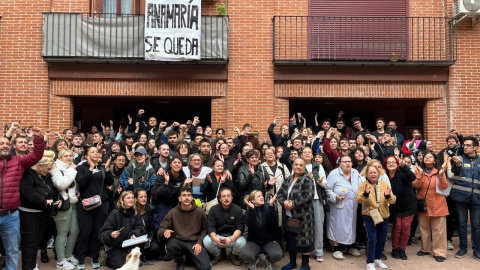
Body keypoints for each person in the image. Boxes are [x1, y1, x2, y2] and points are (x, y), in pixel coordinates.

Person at [0, 127, 44, 270]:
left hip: (10, 215)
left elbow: (36, 156)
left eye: (7, 143)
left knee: (12, 250)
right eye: (1, 144)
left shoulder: (19, 161)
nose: (4, 146)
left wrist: (38, 139)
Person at [19, 150, 61, 270]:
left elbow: (49, 191)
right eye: (47, 169)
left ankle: (33, 266)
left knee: (35, 243)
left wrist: (51, 198)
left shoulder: (42, 176)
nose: (48, 172)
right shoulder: (28, 173)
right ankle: (27, 267)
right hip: (29, 214)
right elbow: (27, 192)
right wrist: (44, 201)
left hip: (41, 214)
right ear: (40, 165)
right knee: (29, 244)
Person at [75, 146, 114, 270]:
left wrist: (107, 170)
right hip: (85, 204)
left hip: (101, 204)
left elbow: (110, 182)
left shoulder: (102, 167)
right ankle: (80, 258)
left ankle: (95, 257)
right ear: (86, 155)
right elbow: (81, 182)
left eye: (97, 152)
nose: (96, 154)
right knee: (84, 232)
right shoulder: (81, 168)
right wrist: (91, 168)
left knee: (97, 232)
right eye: (92, 152)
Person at [158, 186, 211, 270]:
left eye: (189, 195)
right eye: (184, 195)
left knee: (206, 267)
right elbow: (160, 229)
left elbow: (205, 229)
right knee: (171, 245)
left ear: (192, 197)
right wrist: (165, 231)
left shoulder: (200, 212)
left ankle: (190, 257)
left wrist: (199, 243)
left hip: (194, 243)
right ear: (179, 198)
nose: (187, 197)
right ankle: (179, 261)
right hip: (179, 241)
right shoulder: (173, 212)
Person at [151, 156, 192, 261]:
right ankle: (162, 249)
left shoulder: (183, 177)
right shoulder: (163, 175)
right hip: (162, 204)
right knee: (163, 223)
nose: (177, 164)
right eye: (175, 162)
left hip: (176, 205)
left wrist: (184, 185)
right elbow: (156, 194)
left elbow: (180, 197)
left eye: (179, 162)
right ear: (170, 164)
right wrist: (166, 183)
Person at [356, 163, 396, 270]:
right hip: (369, 215)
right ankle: (370, 262)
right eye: (370, 173)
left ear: (378, 173)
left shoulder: (384, 184)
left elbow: (393, 200)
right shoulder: (363, 184)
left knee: (382, 239)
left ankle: (378, 258)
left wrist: (387, 195)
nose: (373, 174)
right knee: (372, 239)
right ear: (367, 174)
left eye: (375, 172)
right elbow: (358, 199)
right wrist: (365, 194)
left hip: (383, 215)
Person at [277, 158, 315, 270]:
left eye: (301, 165)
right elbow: (279, 194)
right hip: (289, 216)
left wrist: (293, 203)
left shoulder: (307, 180)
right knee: (291, 241)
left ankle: (305, 265)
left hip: (304, 217)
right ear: (293, 166)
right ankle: (292, 263)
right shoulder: (288, 179)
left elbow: (308, 197)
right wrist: (283, 202)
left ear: (304, 167)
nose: (298, 167)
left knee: (305, 241)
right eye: (296, 164)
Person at [413, 151, 449, 262]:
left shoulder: (439, 171)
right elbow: (415, 185)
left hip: (438, 204)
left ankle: (440, 253)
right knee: (424, 229)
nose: (427, 158)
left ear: (434, 160)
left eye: (430, 157)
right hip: (424, 204)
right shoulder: (419, 171)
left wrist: (441, 174)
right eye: (425, 157)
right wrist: (419, 175)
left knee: (439, 230)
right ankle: (425, 249)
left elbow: (444, 187)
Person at [326, 155, 362, 260]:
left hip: (353, 204)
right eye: (345, 162)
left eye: (349, 162)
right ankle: (336, 249)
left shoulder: (355, 173)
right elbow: (327, 190)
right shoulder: (334, 174)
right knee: (338, 225)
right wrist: (335, 197)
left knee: (351, 225)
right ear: (340, 163)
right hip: (338, 205)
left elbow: (361, 185)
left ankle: (350, 247)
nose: (347, 164)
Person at [450, 136, 480, 261]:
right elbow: (454, 171)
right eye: (464, 145)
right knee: (462, 225)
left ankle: (477, 250)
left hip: (477, 199)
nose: (465, 147)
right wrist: (457, 164)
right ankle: (463, 248)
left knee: (476, 225)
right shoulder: (459, 159)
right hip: (460, 198)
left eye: (468, 145)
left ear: (476, 147)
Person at [99, 190, 145, 269]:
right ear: (122, 200)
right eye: (128, 198)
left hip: (128, 245)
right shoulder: (115, 213)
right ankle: (107, 256)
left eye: (132, 198)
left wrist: (133, 234)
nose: (131, 200)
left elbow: (140, 227)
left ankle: (124, 256)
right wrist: (111, 234)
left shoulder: (136, 212)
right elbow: (102, 234)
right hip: (114, 246)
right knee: (122, 266)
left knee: (132, 265)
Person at [383, 155, 416, 260]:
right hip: (395, 206)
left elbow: (413, 177)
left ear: (397, 164)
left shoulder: (402, 173)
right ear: (385, 165)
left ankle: (402, 249)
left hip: (409, 205)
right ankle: (395, 249)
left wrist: (404, 166)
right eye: (389, 162)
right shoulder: (384, 177)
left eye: (394, 162)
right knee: (397, 227)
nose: (391, 164)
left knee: (405, 227)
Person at [50, 149, 80, 269]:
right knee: (62, 232)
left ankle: (68, 256)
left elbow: (73, 185)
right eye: (66, 156)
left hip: (73, 203)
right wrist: (72, 170)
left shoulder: (72, 167)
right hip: (63, 205)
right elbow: (61, 184)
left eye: (71, 155)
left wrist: (77, 192)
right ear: (60, 157)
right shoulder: (55, 168)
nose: (69, 157)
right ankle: (60, 261)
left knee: (75, 231)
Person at [203, 187, 246, 266]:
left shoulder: (238, 210)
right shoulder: (213, 209)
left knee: (242, 242)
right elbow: (210, 226)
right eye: (223, 196)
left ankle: (233, 255)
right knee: (206, 241)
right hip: (218, 236)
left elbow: (240, 228)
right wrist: (215, 238)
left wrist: (231, 239)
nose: (226, 198)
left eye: (228, 196)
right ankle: (217, 255)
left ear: (232, 198)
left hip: (232, 237)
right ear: (220, 199)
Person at [243, 190, 283, 270]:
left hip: (269, 241)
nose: (262, 197)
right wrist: (253, 210)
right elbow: (250, 225)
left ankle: (268, 260)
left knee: (278, 255)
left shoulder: (268, 208)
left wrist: (271, 206)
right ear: (252, 200)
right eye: (259, 196)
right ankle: (255, 259)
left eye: (262, 195)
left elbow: (274, 224)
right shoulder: (248, 212)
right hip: (254, 242)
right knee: (246, 256)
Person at [134, 188, 160, 260]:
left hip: (147, 235)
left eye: (145, 196)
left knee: (155, 249)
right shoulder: (132, 210)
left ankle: (143, 254)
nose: (144, 199)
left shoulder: (151, 209)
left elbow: (152, 227)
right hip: (136, 237)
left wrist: (150, 237)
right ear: (136, 199)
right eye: (141, 197)